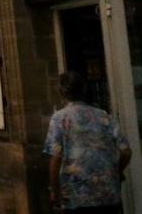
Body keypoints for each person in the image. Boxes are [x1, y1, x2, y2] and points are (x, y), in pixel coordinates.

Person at [45, 71, 131, 214]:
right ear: (84, 90)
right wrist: (116, 171)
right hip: (107, 193)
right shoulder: (103, 115)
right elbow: (126, 151)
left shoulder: (59, 118)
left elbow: (56, 158)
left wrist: (54, 189)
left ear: (62, 93)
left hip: (75, 195)